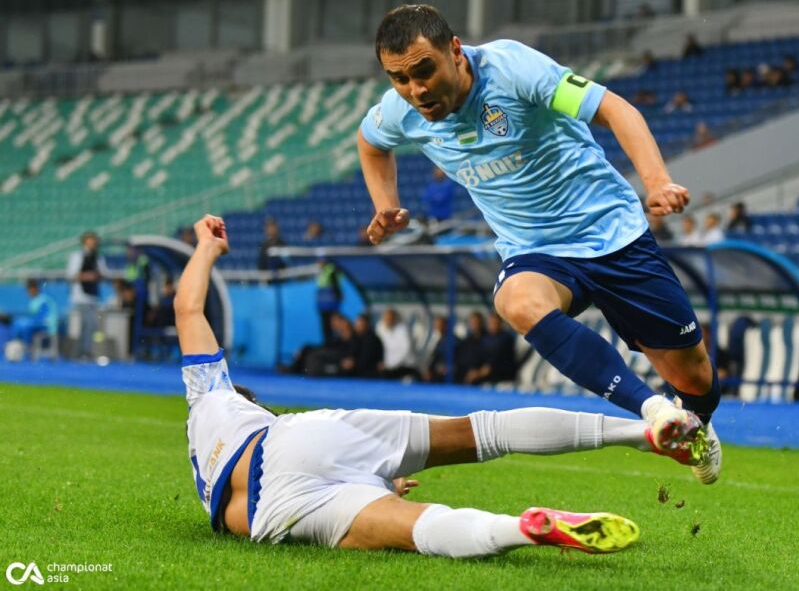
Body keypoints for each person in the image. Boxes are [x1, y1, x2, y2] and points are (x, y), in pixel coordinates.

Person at [176, 214, 708, 555]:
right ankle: (642, 433)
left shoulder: (207, 474)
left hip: (268, 509)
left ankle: (521, 530)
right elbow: (189, 308)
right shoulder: (211, 395)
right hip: (296, 438)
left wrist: (375, 487)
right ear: (251, 401)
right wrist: (206, 248)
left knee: (414, 528)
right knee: (484, 431)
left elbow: (277, 494)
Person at [357, 4, 721, 484]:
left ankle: (695, 422)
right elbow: (371, 143)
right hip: (535, 251)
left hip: (612, 234)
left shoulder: (513, 69)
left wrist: (656, 182)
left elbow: (615, 109)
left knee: (695, 378)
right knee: (516, 301)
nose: (415, 89)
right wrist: (385, 204)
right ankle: (653, 410)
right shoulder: (400, 109)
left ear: (455, 51)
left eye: (424, 70)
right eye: (399, 78)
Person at [66, 231, 108, 360]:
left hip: (93, 297)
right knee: (90, 323)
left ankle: (82, 352)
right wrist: (87, 276)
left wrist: (97, 276)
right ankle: (84, 351)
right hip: (81, 296)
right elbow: (71, 275)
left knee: (89, 325)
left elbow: (104, 274)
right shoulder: (77, 256)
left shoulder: (98, 258)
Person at [11, 279, 58, 346]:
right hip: (39, 324)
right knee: (18, 323)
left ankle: (27, 347)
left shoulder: (44, 300)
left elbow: (41, 318)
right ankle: (17, 344)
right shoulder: (34, 301)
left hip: (47, 326)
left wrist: (28, 322)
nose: (28, 293)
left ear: (34, 289)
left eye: (29, 291)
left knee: (25, 326)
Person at [376, 308, 420, 380]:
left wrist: (391, 364)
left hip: (406, 366)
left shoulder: (403, 330)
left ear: (394, 319)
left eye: (390, 318)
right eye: (386, 318)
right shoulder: (380, 328)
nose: (387, 321)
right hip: (389, 367)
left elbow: (405, 350)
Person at [455, 311, 487, 385]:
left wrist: (478, 373)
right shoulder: (466, 341)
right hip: (465, 380)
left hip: (483, 381)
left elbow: (489, 364)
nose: (475, 324)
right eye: (472, 322)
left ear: (481, 323)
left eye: (477, 322)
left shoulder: (488, 340)